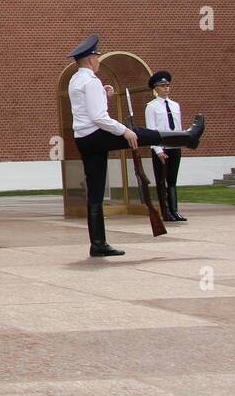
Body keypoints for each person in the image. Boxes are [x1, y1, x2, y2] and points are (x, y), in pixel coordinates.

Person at [67, 35, 204, 257]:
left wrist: (104, 93)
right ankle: (187, 137)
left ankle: (98, 243)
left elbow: (86, 109)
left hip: (84, 138)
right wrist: (124, 130)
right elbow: (99, 117)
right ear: (91, 59)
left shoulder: (77, 80)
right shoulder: (90, 81)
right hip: (96, 134)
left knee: (95, 192)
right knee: (138, 133)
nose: (99, 59)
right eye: (98, 55)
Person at [145, 70, 188, 223]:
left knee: (172, 179)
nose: (166, 88)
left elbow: (178, 127)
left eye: (167, 85)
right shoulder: (151, 106)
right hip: (161, 147)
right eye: (162, 86)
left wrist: (182, 142)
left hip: (175, 146)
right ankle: (166, 212)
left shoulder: (175, 105)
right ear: (155, 88)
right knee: (161, 180)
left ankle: (175, 210)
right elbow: (151, 129)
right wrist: (158, 150)